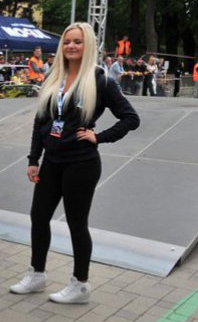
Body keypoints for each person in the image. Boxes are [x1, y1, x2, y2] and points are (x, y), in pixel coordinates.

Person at [12, 22, 139, 304]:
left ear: (88, 45)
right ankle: (37, 274)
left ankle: (80, 285)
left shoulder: (101, 80)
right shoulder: (53, 76)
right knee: (38, 217)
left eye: (78, 42)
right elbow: (40, 123)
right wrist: (33, 159)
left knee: (76, 224)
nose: (71, 46)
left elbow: (131, 118)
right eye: (67, 41)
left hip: (81, 164)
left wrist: (99, 137)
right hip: (51, 162)